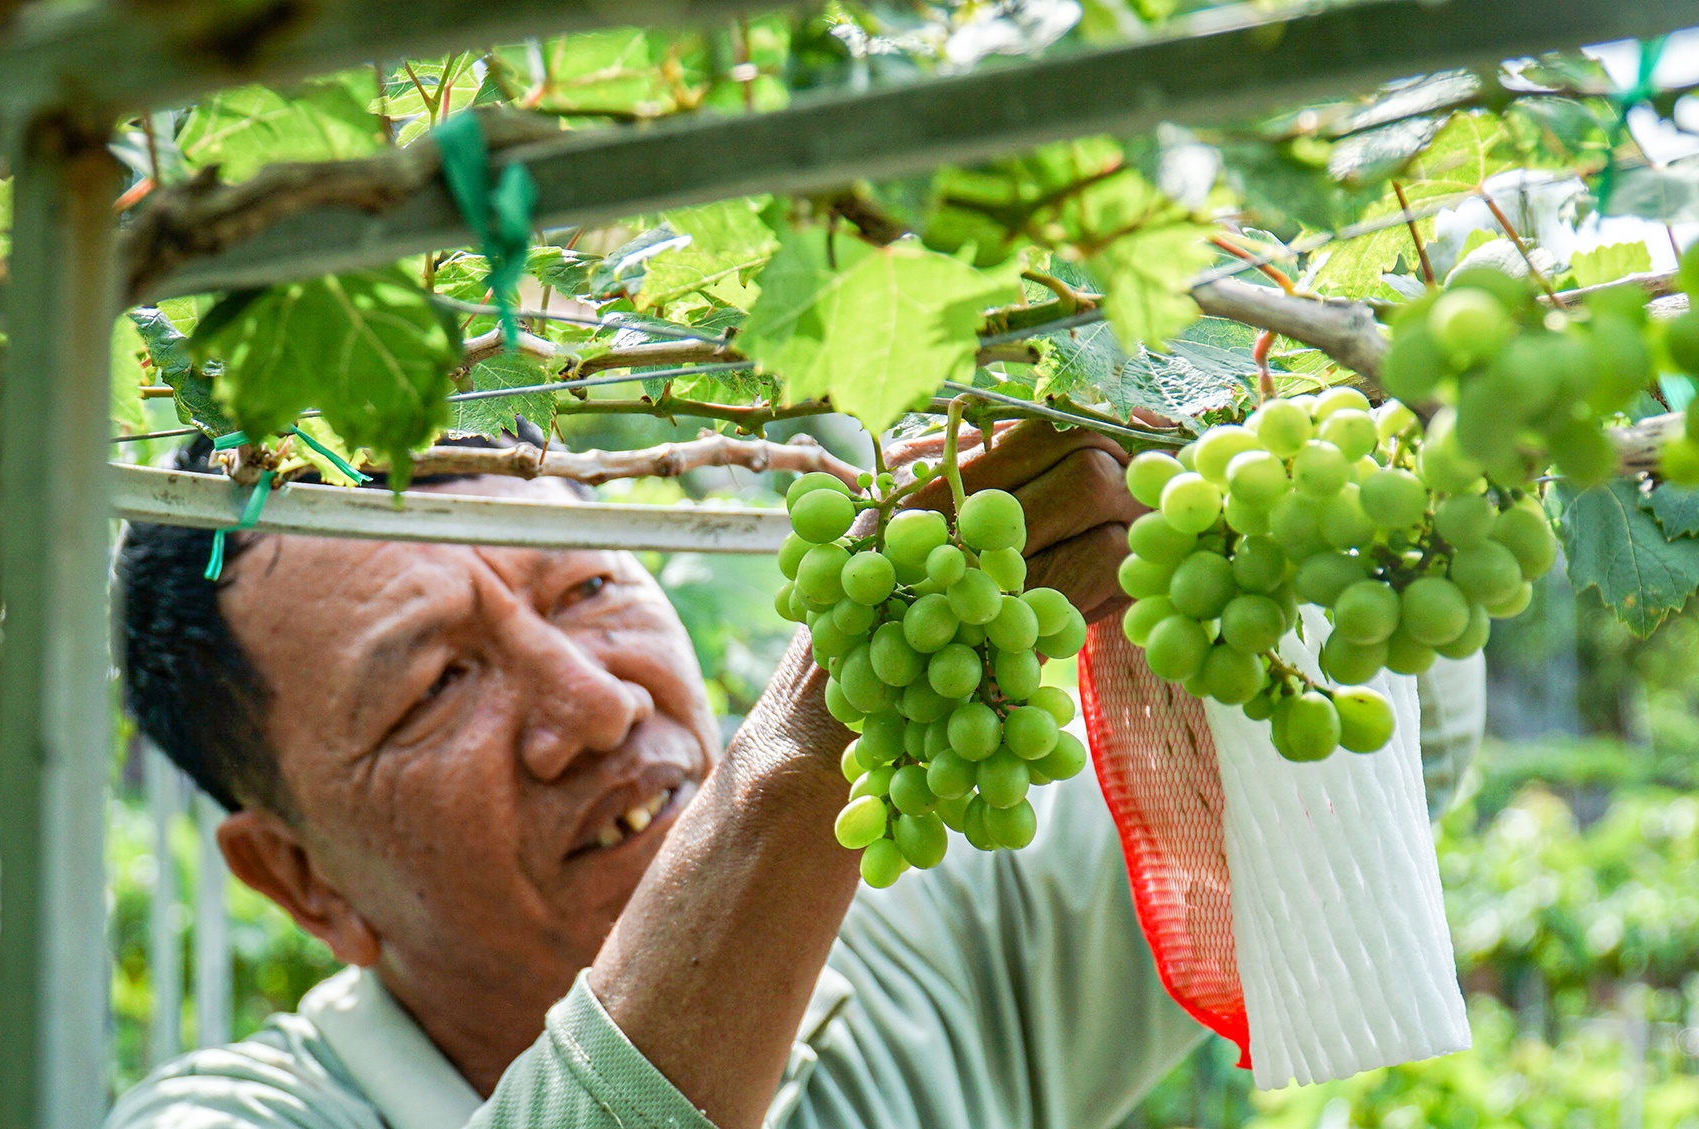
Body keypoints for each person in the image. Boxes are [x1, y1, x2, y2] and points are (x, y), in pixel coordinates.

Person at [106, 422, 1482, 1129]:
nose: (589, 703)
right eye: (435, 683)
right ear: (297, 878)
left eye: (588, 582)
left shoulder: (920, 926)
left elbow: (1351, 769)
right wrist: (806, 757)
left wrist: (1224, 517)